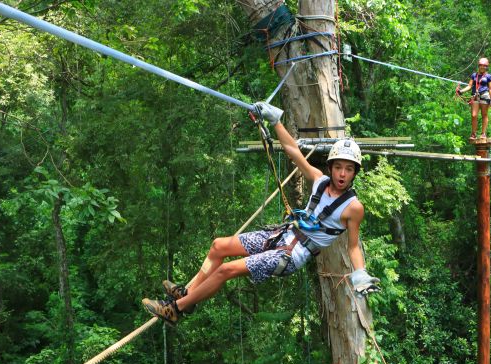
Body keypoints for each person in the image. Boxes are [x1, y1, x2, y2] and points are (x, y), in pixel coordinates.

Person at [142, 102, 381, 324]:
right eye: (338, 167)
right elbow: (293, 151)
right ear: (330, 167)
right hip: (281, 236)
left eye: (348, 169)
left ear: (354, 173)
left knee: (226, 270)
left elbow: (352, 246)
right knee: (219, 246)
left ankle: (177, 309)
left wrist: (360, 274)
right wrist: (275, 121)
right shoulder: (320, 180)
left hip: (293, 254)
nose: (342, 174)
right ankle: (189, 293)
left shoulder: (353, 207)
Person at [456, 57, 491, 140]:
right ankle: (473, 133)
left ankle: (483, 133)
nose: (482, 67)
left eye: (484, 66)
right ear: (479, 66)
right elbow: (470, 86)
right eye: (481, 65)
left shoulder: (488, 76)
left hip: (485, 96)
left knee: (484, 115)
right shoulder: (474, 75)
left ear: (487, 67)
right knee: (474, 115)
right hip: (475, 96)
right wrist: (461, 91)